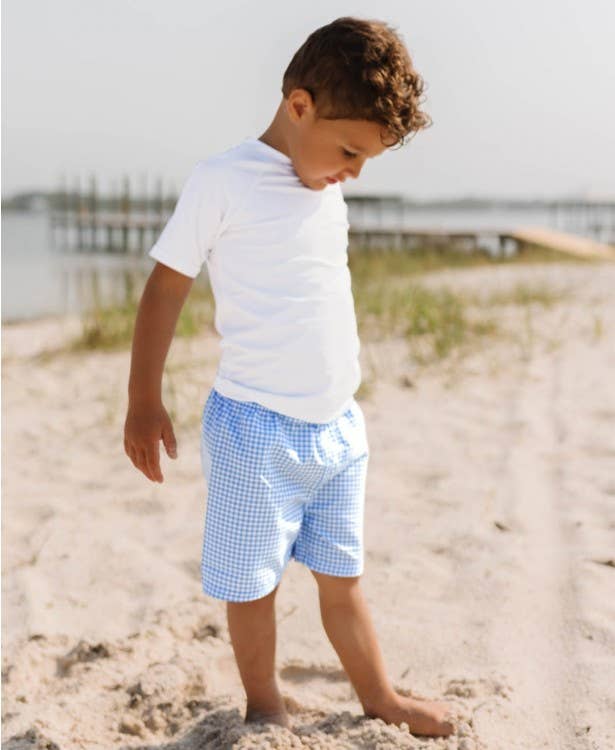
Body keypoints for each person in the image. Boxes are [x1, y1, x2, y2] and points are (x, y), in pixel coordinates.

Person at [124, 15, 456, 739]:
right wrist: (143, 400)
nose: (352, 171)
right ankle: (264, 703)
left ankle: (380, 698)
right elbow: (165, 289)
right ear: (298, 105)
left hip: (337, 426)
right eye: (348, 150)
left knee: (343, 581)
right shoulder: (222, 180)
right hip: (254, 429)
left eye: (366, 160)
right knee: (252, 582)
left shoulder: (324, 187)